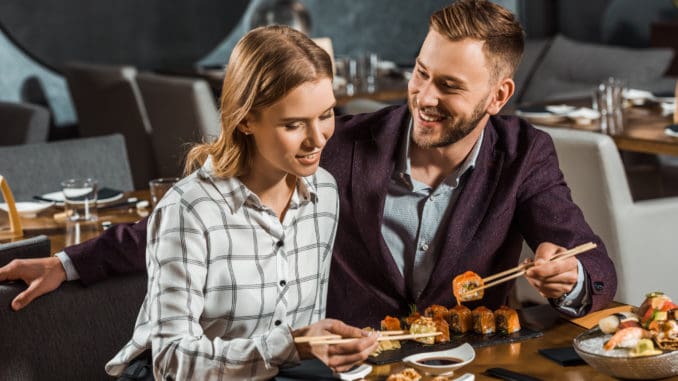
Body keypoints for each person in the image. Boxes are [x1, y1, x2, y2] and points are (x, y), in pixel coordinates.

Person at [0, 0, 616, 330]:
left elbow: (585, 262)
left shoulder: (524, 153)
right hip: (338, 366)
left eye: (449, 86)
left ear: (498, 97)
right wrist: (69, 262)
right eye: (421, 73)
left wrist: (568, 283)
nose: (425, 96)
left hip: (461, 364)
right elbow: (208, 206)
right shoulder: (340, 142)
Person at [104, 25, 376, 380]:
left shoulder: (323, 192)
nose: (317, 139)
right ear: (246, 119)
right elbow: (170, 360)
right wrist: (290, 345)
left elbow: (299, 341)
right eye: (293, 124)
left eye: (325, 115)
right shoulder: (189, 209)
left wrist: (314, 345)